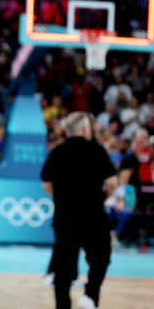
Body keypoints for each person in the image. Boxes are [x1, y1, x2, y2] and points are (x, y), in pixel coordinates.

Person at [41, 111, 118, 309]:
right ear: (85, 128)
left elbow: (46, 184)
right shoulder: (97, 150)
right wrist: (102, 198)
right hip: (93, 217)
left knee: (63, 269)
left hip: (65, 218)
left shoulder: (57, 152)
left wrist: (62, 199)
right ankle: (91, 295)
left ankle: (63, 306)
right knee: (101, 258)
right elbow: (112, 182)